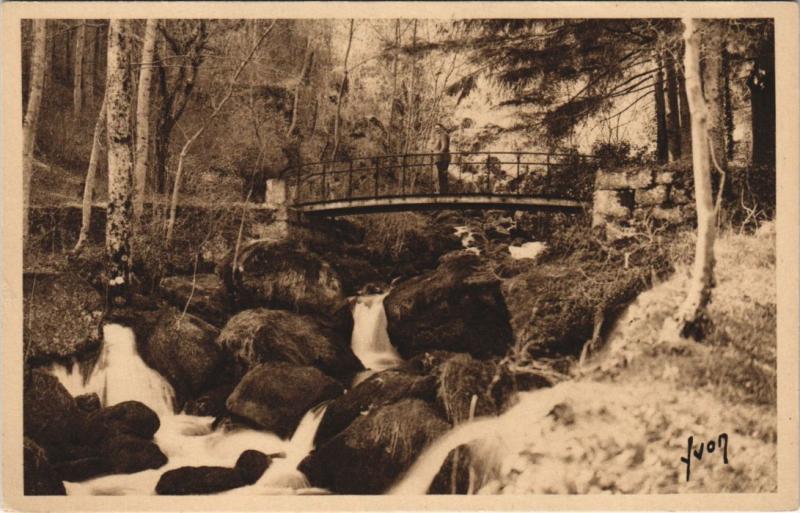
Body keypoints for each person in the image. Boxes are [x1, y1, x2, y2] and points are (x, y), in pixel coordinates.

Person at [434, 123, 451, 194]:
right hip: (440, 158)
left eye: (438, 128)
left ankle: (443, 192)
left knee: (443, 176)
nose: (437, 130)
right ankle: (442, 191)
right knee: (441, 176)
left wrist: (438, 153)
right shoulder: (440, 135)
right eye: (435, 128)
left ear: (442, 128)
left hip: (443, 158)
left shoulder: (443, 135)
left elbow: (444, 147)